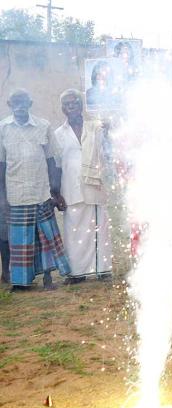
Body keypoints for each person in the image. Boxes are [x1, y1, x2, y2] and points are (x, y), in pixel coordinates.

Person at [0, 89, 71, 290]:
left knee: (45, 238)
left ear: (30, 103)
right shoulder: (2, 128)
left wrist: (55, 192)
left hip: (41, 192)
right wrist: (2, 198)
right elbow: (1, 165)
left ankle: (48, 278)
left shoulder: (43, 126)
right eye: (16, 102)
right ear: (9, 104)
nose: (20, 106)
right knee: (20, 242)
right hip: (16, 194)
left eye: (23, 102)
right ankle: (20, 282)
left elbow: (52, 161)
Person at [54, 89, 113, 284]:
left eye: (75, 103)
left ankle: (102, 269)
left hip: (94, 184)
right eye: (68, 104)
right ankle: (77, 273)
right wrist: (55, 193)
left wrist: (108, 129)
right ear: (63, 109)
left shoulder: (95, 127)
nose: (72, 107)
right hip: (70, 189)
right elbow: (56, 165)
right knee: (74, 231)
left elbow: (107, 148)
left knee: (99, 227)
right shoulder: (58, 134)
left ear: (81, 106)